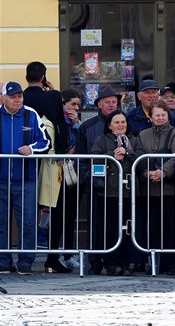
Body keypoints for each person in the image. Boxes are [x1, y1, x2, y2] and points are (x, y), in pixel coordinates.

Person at [0, 82, 50, 275]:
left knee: (28, 221)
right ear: (3, 98)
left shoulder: (31, 114)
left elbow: (46, 141)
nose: (18, 99)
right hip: (1, 179)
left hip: (26, 179)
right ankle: (3, 261)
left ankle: (25, 261)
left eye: (20, 96)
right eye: (13, 96)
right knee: (1, 221)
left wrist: (32, 149)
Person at [136, 100, 175, 275]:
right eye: (156, 115)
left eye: (163, 115)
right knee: (153, 229)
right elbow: (140, 155)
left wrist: (163, 172)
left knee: (172, 228)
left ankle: (172, 262)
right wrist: (146, 172)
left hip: (171, 190)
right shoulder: (143, 134)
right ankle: (155, 261)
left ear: (168, 115)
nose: (160, 118)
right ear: (151, 116)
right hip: (149, 190)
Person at [75, 85, 120, 275]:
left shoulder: (122, 124)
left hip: (117, 184)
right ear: (99, 104)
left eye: (114, 102)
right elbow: (81, 157)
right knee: (95, 225)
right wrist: (87, 178)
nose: (111, 105)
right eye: (107, 102)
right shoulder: (88, 126)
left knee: (115, 224)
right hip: (94, 185)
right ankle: (95, 261)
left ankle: (113, 261)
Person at [91, 110, 143, 276]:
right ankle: (111, 263)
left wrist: (127, 153)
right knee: (109, 229)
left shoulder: (134, 140)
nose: (121, 125)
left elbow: (142, 160)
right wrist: (112, 155)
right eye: (117, 122)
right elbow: (94, 158)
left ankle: (125, 263)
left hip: (129, 193)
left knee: (127, 229)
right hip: (108, 192)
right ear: (109, 125)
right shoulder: (102, 140)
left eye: (123, 122)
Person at [38, 91, 74, 273]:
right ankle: (52, 258)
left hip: (58, 176)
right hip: (54, 176)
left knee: (60, 218)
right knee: (56, 218)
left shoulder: (56, 121)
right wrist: (64, 155)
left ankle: (53, 258)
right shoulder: (48, 122)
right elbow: (49, 151)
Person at [58, 89, 83, 270]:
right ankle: (53, 254)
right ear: (63, 103)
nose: (75, 108)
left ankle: (68, 253)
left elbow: (82, 141)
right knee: (58, 215)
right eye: (72, 104)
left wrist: (77, 124)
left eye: (78, 105)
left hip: (74, 173)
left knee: (71, 215)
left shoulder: (77, 124)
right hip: (59, 173)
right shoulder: (58, 121)